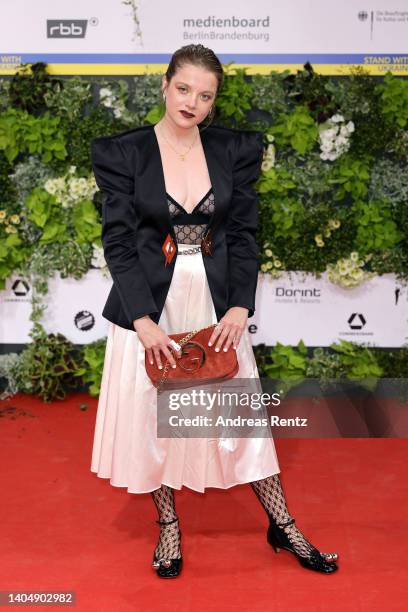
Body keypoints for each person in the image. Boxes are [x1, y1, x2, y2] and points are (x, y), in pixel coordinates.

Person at [90, 44, 339, 578]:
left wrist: (240, 307)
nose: (192, 103)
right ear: (164, 85)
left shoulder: (234, 151)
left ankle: (283, 524)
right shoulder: (124, 153)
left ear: (214, 102)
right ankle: (169, 529)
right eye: (184, 89)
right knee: (154, 423)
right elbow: (120, 244)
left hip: (215, 306)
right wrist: (142, 322)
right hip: (151, 308)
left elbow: (245, 235)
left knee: (241, 418)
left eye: (205, 96)